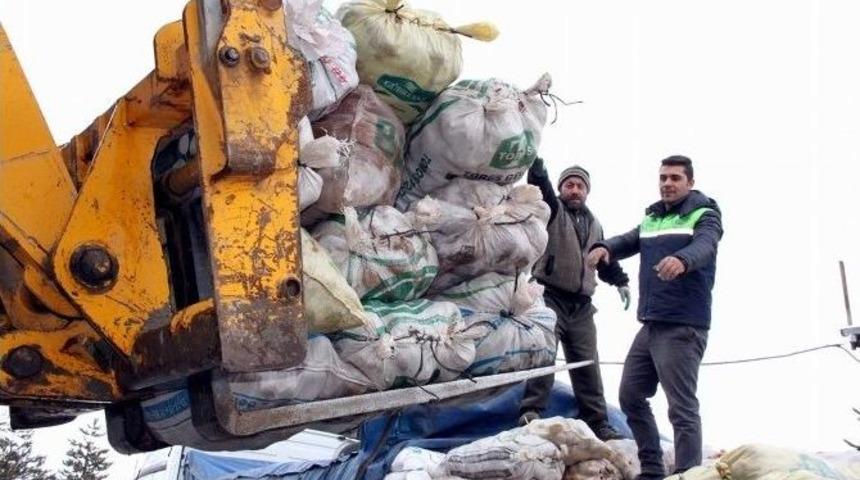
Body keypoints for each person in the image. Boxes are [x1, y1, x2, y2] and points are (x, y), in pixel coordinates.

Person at [587, 155, 722, 479]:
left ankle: (688, 474)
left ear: (690, 182)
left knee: (681, 407)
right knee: (631, 395)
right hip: (651, 324)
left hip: (682, 325)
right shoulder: (653, 219)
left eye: (675, 178)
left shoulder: (705, 216)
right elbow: (629, 240)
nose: (667, 183)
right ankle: (652, 469)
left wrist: (682, 259)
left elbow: (705, 246)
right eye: (663, 178)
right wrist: (605, 247)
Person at [519, 157, 631, 442]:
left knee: (587, 364)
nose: (575, 190)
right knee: (545, 354)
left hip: (581, 306)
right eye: (569, 185)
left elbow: (604, 261)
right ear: (562, 188)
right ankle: (532, 411)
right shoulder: (553, 211)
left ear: (587, 191)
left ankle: (597, 421)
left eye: (580, 186)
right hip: (550, 296)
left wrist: (620, 281)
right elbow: (541, 188)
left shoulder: (595, 225)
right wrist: (538, 171)